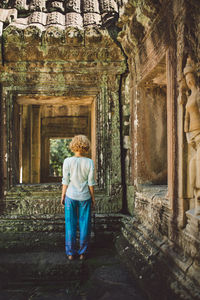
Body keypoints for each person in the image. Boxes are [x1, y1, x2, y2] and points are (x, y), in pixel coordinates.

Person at [61, 135, 96, 260]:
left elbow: (65, 180)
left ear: (73, 145)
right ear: (86, 146)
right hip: (85, 196)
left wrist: (62, 195)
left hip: (70, 195)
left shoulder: (67, 161)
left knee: (70, 223)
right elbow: (91, 183)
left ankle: (70, 253)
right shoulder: (89, 162)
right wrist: (93, 197)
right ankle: (82, 253)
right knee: (85, 224)